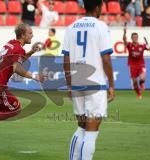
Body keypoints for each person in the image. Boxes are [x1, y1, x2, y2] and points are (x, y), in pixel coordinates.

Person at [62, 0, 114, 160]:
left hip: (77, 82)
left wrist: (70, 85)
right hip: (95, 83)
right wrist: (111, 84)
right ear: (98, 7)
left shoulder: (71, 27)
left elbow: (66, 60)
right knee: (92, 130)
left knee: (82, 127)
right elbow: (106, 59)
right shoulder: (101, 27)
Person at [123, 28, 150, 99]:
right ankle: (139, 94)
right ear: (132, 38)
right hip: (132, 65)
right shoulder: (129, 45)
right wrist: (124, 33)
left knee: (142, 78)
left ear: (137, 38)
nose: (135, 38)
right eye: (133, 37)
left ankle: (141, 83)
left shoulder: (142, 45)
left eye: (136, 37)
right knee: (135, 82)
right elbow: (124, 40)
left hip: (141, 65)